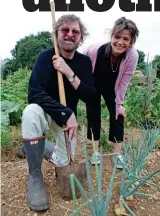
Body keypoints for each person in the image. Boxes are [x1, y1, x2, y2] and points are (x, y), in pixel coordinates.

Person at [21, 14, 95, 211]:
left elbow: (90, 96)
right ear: (56, 35)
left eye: (75, 31)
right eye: (65, 30)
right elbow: (34, 93)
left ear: (81, 37)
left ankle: (41, 148)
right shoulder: (45, 57)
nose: (70, 34)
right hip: (48, 114)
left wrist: (69, 73)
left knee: (63, 161)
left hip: (65, 121)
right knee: (31, 112)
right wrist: (65, 113)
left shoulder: (84, 62)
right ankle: (35, 175)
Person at [83, 17, 139, 168]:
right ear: (112, 36)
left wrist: (119, 104)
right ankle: (96, 152)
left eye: (126, 39)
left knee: (118, 114)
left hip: (113, 86)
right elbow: (81, 60)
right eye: (117, 37)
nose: (120, 42)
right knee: (93, 115)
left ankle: (117, 154)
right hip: (94, 83)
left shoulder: (132, 56)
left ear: (131, 42)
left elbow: (124, 82)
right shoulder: (96, 50)